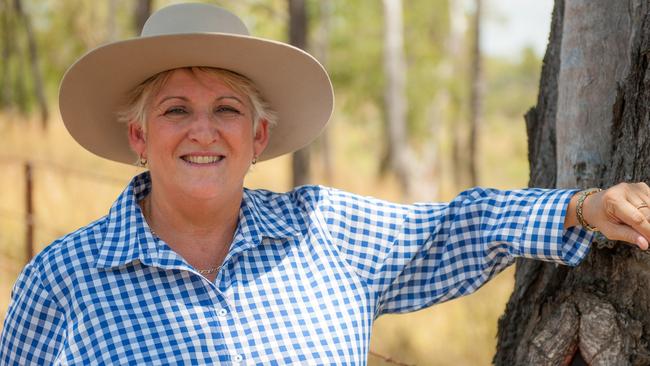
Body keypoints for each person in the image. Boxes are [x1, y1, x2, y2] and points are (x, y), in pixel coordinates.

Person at [1, 3, 650, 365]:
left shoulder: (326, 232)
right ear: (140, 139)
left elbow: (459, 226)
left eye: (227, 109)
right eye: (175, 110)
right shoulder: (63, 278)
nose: (204, 131)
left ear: (257, 138)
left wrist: (584, 206)